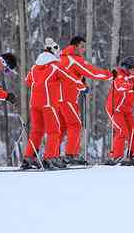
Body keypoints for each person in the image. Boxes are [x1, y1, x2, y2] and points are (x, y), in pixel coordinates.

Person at [22, 38, 86, 170]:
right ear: (53, 51)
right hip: (49, 103)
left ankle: (29, 157)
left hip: (34, 104)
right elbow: (70, 78)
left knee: (37, 131)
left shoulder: (34, 67)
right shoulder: (55, 66)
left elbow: (28, 81)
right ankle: (50, 157)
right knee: (54, 131)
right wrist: (82, 86)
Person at [58, 36, 113, 165]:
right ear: (75, 46)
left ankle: (51, 155)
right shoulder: (73, 59)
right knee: (75, 125)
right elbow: (92, 71)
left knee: (61, 127)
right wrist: (110, 75)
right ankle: (71, 154)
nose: (84, 50)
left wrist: (81, 85)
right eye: (82, 46)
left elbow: (69, 77)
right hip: (67, 98)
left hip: (56, 97)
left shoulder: (62, 58)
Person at [105, 56, 134, 165]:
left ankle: (133, 156)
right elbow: (120, 86)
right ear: (127, 68)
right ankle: (117, 157)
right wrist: (132, 87)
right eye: (133, 69)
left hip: (127, 111)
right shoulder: (119, 75)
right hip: (115, 109)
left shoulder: (133, 76)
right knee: (122, 131)